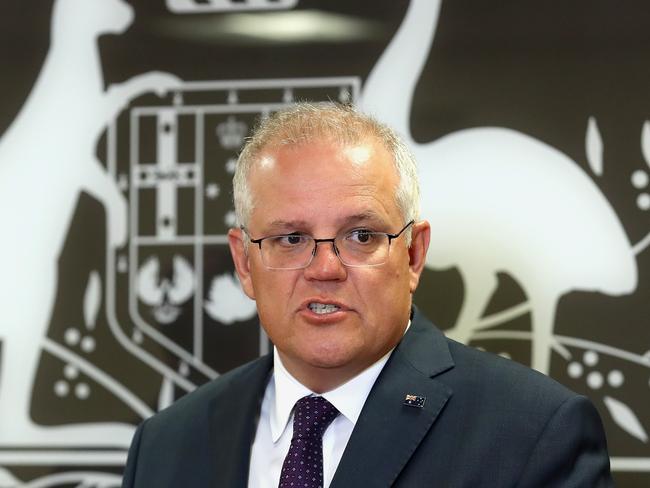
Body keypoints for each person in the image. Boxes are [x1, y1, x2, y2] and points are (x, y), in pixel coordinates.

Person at [121, 102, 613, 487]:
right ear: (245, 264)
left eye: (361, 236)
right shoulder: (165, 447)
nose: (325, 268)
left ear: (415, 254)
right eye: (291, 239)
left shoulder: (533, 434)